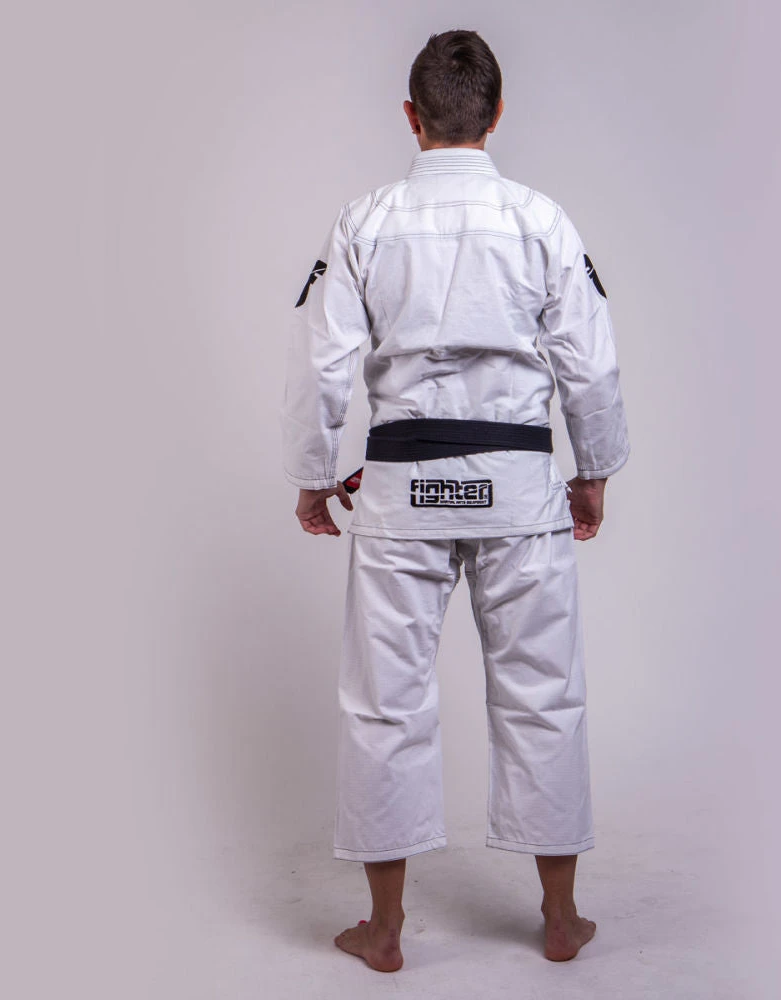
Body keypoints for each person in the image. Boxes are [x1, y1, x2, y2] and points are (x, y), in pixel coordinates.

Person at [281, 29, 631, 972]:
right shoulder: (541, 221)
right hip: (518, 489)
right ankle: (560, 919)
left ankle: (385, 930)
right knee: (544, 697)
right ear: (497, 114)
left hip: (403, 491)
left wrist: (314, 473)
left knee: (385, 705)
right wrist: (593, 471)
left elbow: (323, 363)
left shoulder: (365, 222)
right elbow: (590, 366)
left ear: (412, 116)